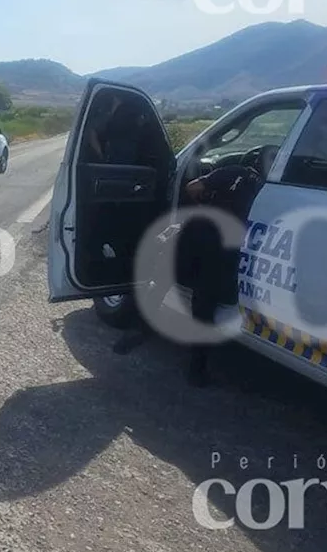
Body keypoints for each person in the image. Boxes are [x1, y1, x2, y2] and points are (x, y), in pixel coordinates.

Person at [110, 163, 264, 387]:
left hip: (195, 234)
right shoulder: (264, 188)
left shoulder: (236, 171)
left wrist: (207, 197)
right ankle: (197, 370)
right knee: (204, 307)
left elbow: (192, 187)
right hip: (224, 249)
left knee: (161, 281)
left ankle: (138, 331)